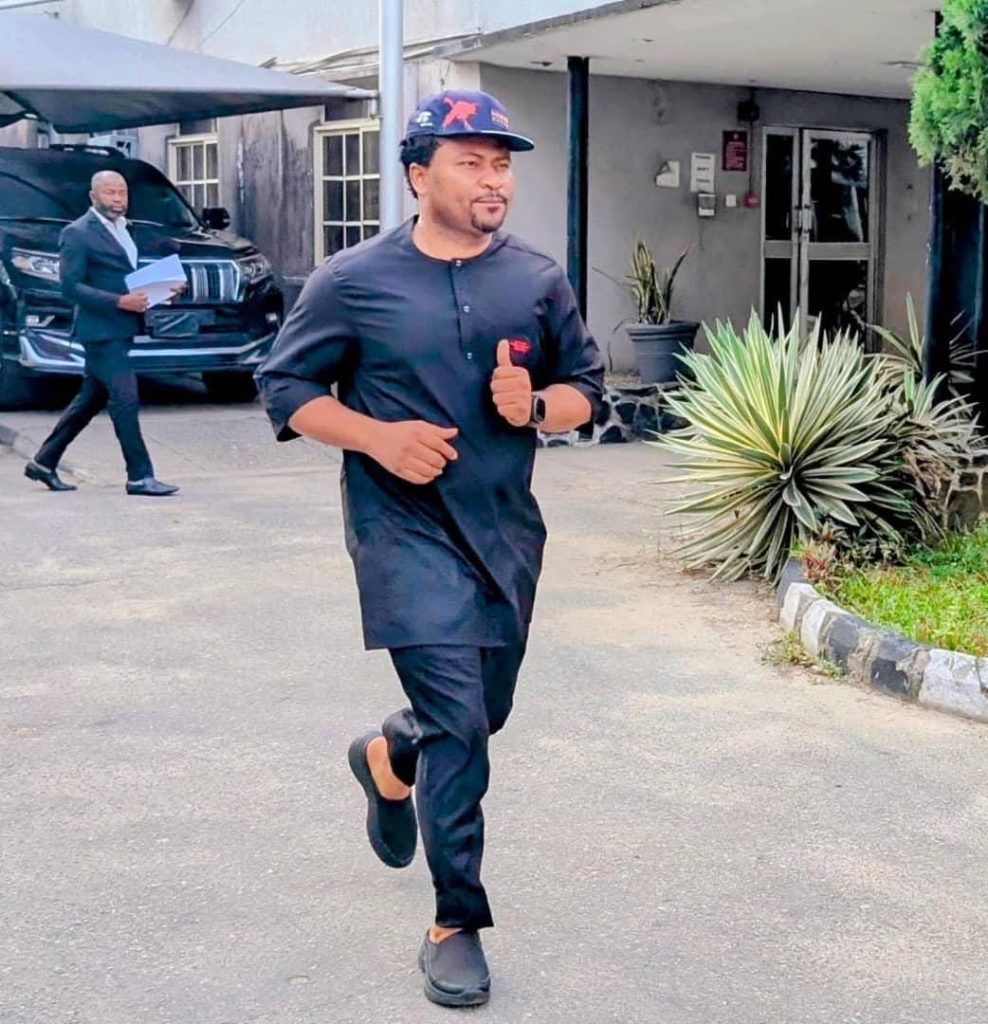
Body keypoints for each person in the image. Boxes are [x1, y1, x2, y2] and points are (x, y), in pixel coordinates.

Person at [256, 89, 604, 1008]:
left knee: (481, 715)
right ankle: (456, 921)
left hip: (504, 533)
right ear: (418, 175)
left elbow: (586, 390)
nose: (494, 180)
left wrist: (537, 405)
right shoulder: (352, 281)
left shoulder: (536, 279)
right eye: (471, 162)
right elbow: (286, 387)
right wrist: (376, 437)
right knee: (460, 724)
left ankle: (388, 755)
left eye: (502, 164)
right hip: (400, 533)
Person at [24, 170, 181, 496]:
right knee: (126, 399)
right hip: (98, 332)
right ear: (93, 196)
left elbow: (122, 277)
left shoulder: (125, 229)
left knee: (88, 400)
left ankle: (43, 462)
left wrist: (162, 289)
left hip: (121, 328)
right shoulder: (77, 233)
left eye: (122, 192)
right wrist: (120, 301)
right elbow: (70, 287)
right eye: (110, 193)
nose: (118, 199)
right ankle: (140, 476)